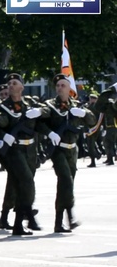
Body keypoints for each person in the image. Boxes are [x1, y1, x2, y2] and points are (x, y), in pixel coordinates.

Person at [0, 73, 49, 236]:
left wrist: (40, 113)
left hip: (30, 150)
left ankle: (18, 223)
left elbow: (44, 115)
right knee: (27, 182)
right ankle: (29, 214)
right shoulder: (2, 107)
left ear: (22, 87)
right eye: (9, 83)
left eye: (14, 83)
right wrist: (3, 135)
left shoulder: (30, 104)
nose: (11, 85)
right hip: (13, 151)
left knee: (20, 185)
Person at [41, 74, 95, 232]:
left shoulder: (76, 106)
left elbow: (92, 121)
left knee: (66, 184)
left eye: (63, 85)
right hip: (58, 150)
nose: (59, 88)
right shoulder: (50, 105)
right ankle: (69, 216)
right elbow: (40, 122)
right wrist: (50, 133)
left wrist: (84, 114)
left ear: (69, 88)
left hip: (73, 150)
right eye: (57, 86)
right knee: (66, 180)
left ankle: (59, 222)